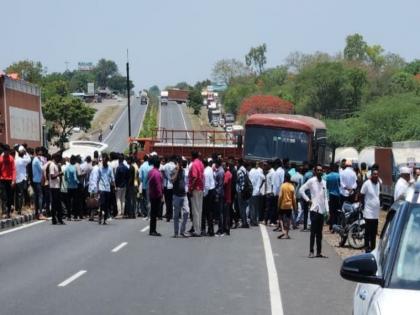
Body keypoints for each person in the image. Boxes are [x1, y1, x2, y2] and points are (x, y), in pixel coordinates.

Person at [299, 165, 329, 258]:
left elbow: (326, 198)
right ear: (315, 171)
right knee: (313, 232)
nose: (320, 171)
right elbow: (301, 190)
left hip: (322, 210)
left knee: (320, 233)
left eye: (321, 170)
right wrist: (308, 200)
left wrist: (327, 211)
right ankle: (311, 251)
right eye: (318, 170)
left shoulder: (324, 182)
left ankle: (319, 252)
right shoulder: (312, 181)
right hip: (314, 209)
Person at [360, 169, 380, 253]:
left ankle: (373, 249)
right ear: (371, 175)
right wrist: (363, 207)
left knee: (374, 233)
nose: (376, 176)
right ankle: (367, 248)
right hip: (368, 212)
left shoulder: (378, 184)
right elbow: (361, 194)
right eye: (374, 174)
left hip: (376, 213)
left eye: (377, 174)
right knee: (367, 232)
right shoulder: (367, 184)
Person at [171, 157, 189, 237]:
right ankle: (176, 232)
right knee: (176, 215)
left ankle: (182, 230)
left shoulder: (184, 171)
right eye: (182, 162)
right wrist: (177, 171)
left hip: (184, 195)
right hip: (176, 195)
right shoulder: (174, 170)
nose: (183, 164)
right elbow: (172, 180)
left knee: (186, 212)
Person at [188, 151, 204, 237]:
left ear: (192, 156)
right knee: (199, 209)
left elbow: (194, 177)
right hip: (201, 188)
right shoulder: (201, 163)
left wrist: (190, 187)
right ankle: (199, 229)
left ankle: (197, 230)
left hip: (195, 189)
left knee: (195, 210)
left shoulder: (194, 164)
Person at [277, 173, 297, 239]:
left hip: (283, 204)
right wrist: (295, 207)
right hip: (289, 205)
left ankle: (282, 230)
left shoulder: (283, 186)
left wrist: (278, 205)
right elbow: (294, 198)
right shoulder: (292, 186)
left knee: (280, 217)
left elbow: (280, 196)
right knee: (288, 219)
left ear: (285, 178)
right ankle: (287, 233)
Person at [148, 155, 163, 236]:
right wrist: (161, 195)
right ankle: (153, 230)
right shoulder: (157, 173)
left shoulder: (151, 172)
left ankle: (152, 229)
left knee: (153, 213)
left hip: (151, 194)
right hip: (156, 195)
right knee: (154, 214)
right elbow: (158, 186)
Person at [98, 155, 114, 225]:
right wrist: (97, 188)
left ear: (107, 161)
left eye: (105, 161)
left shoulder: (110, 169)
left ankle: (105, 219)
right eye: (103, 161)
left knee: (106, 205)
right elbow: (98, 178)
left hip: (107, 188)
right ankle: (100, 217)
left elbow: (112, 178)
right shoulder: (100, 169)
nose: (103, 162)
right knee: (102, 204)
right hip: (101, 188)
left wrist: (114, 186)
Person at [0, 145, 16, 218]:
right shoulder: (1, 158)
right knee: (4, 196)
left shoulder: (11, 158)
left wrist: (13, 180)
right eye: (5, 151)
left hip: (9, 180)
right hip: (2, 180)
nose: (6, 152)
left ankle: (8, 212)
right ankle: (4, 212)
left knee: (9, 197)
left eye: (7, 151)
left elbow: (13, 170)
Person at [14, 146, 31, 215]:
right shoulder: (23, 161)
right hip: (22, 179)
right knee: (21, 194)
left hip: (16, 179)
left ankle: (16, 208)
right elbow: (29, 160)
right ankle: (19, 209)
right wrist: (26, 152)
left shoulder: (15, 160)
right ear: (23, 154)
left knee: (17, 194)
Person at [49, 153, 65, 225]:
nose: (59, 160)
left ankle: (58, 218)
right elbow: (52, 176)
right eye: (59, 158)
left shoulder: (56, 165)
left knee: (58, 204)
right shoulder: (52, 165)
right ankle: (54, 219)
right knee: (55, 204)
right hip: (54, 187)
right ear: (56, 158)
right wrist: (59, 174)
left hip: (57, 186)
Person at [248, 161, 265, 226]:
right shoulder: (258, 172)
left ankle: (253, 221)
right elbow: (264, 179)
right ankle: (256, 220)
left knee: (252, 207)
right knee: (256, 207)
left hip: (251, 191)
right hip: (257, 191)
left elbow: (249, 182)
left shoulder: (250, 172)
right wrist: (260, 186)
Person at [326, 163, 340, 232]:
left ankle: (331, 226)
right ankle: (336, 226)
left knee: (331, 211)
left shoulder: (327, 176)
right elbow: (340, 185)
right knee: (337, 211)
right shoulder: (338, 176)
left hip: (330, 195)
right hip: (337, 195)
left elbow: (327, 187)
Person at [202, 159, 215, 236]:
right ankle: (211, 230)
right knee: (210, 212)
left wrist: (204, 195)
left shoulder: (206, 172)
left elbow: (206, 186)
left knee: (205, 212)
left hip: (208, 192)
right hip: (212, 190)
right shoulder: (210, 169)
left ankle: (205, 229)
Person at [236, 159, 249, 228]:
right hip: (245, 191)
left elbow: (241, 181)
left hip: (241, 191)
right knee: (245, 206)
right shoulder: (245, 170)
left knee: (242, 207)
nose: (236, 163)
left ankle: (244, 222)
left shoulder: (240, 171)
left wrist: (241, 190)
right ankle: (245, 221)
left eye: (237, 162)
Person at [32, 147, 45, 220]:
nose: (41, 154)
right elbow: (42, 169)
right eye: (40, 153)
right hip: (37, 181)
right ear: (37, 153)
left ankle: (37, 213)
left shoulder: (37, 159)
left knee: (37, 197)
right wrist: (44, 163)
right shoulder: (37, 160)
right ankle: (40, 213)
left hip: (37, 180)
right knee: (40, 197)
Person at [163, 155, 176, 222]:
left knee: (167, 201)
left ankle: (168, 214)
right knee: (172, 201)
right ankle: (171, 214)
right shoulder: (175, 166)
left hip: (166, 184)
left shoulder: (166, 165)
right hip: (172, 184)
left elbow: (161, 170)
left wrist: (165, 176)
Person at [214, 159, 225, 235]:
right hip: (219, 193)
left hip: (219, 194)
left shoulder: (220, 172)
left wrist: (217, 194)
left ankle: (221, 228)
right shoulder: (219, 170)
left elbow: (220, 185)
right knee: (219, 212)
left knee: (220, 212)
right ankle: (220, 227)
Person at [223, 162, 233, 236]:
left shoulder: (227, 173)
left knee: (226, 214)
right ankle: (227, 228)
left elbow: (225, 183)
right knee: (227, 214)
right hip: (228, 195)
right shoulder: (229, 173)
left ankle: (226, 229)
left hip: (226, 196)